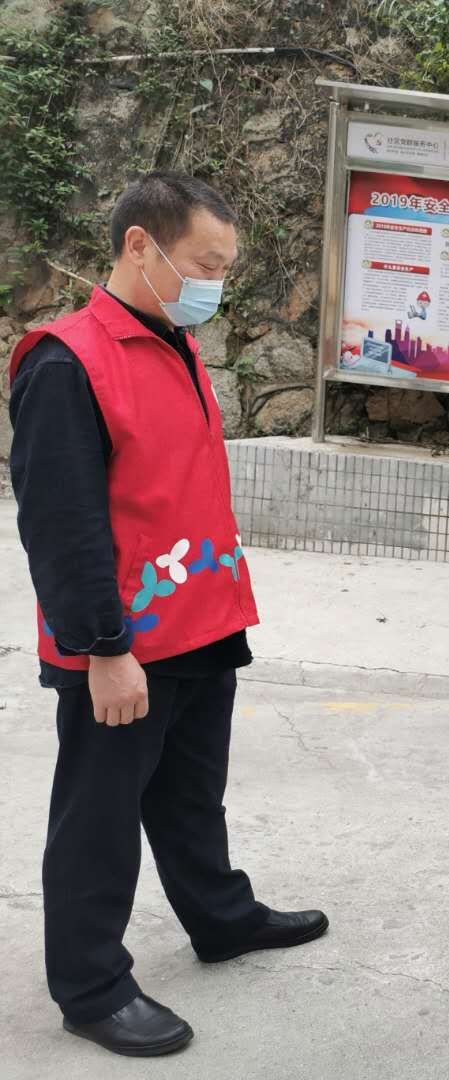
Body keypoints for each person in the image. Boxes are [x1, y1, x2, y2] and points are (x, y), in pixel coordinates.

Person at [7, 173, 328, 1057]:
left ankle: (220, 916)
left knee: (191, 796)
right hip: (123, 645)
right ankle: (90, 987)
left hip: (203, 623)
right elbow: (61, 525)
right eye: (205, 263)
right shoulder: (67, 361)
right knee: (99, 818)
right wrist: (103, 648)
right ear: (140, 245)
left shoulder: (173, 341)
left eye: (225, 267)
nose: (215, 283)